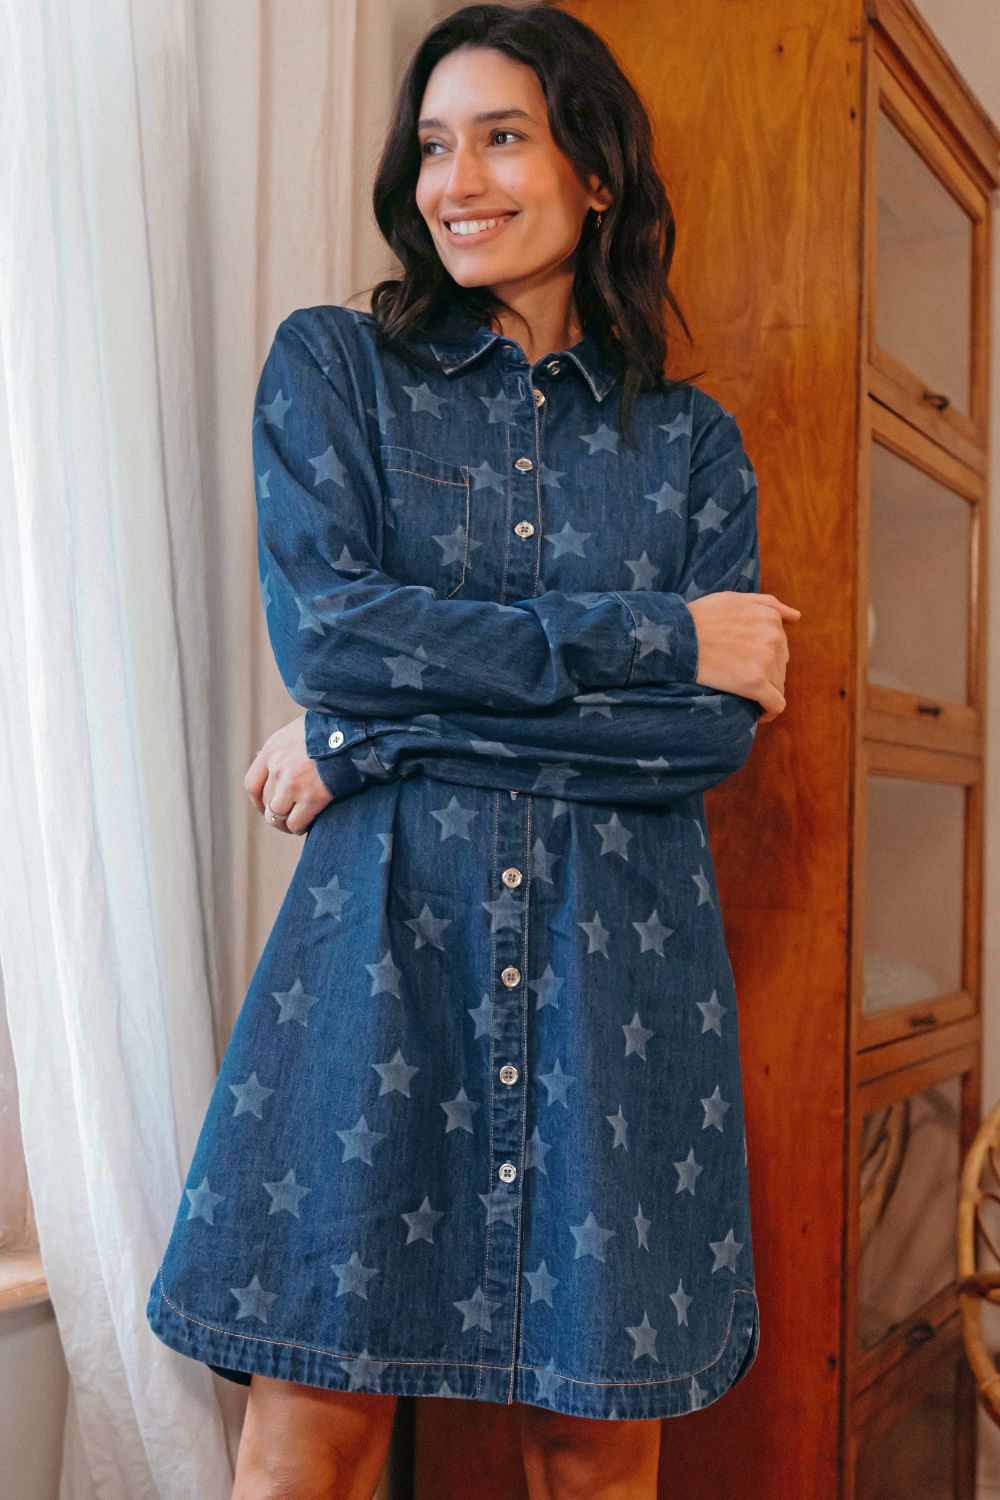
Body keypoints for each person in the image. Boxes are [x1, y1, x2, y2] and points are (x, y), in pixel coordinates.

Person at [146, 5, 800, 1496]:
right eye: (433, 145)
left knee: (592, 1458)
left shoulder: (689, 445)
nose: (457, 180)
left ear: (596, 176)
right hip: (379, 977)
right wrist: (654, 633)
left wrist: (367, 735)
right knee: (306, 1443)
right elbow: (337, 637)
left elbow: (698, 741)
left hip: (611, 987)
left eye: (502, 136)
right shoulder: (335, 373)